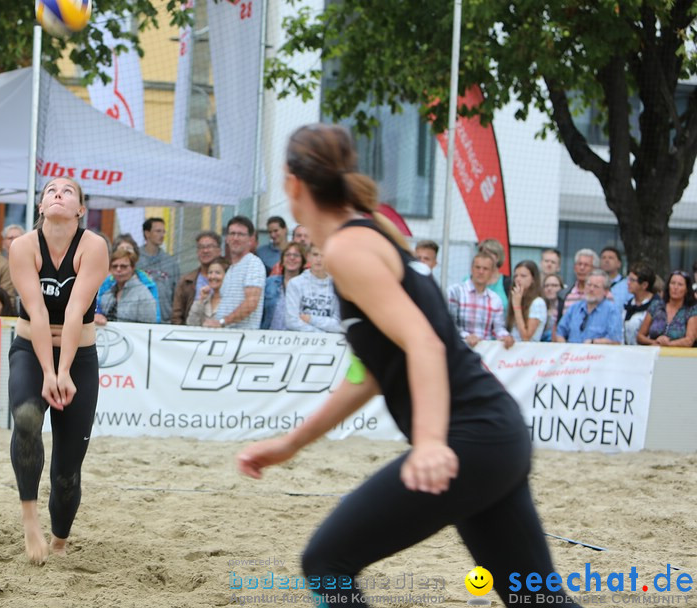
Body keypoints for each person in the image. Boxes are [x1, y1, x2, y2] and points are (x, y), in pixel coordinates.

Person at [237, 124, 573, 608]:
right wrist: (290, 444)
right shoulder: (371, 234)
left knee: (326, 564)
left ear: (292, 183)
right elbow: (368, 374)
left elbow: (425, 344)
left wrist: (433, 443)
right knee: (540, 602)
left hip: (469, 441)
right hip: (497, 438)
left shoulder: (349, 249)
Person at [7, 176, 108, 563]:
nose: (58, 194)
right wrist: (48, 374)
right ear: (40, 206)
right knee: (28, 419)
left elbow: (73, 311)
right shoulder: (23, 246)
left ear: (80, 209)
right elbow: (35, 311)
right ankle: (30, 523)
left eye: (68, 191)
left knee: (68, 465)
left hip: (78, 357)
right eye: (50, 190)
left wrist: (63, 372)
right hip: (30, 351)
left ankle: (60, 541)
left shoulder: (94, 246)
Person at [447, 251, 512, 347]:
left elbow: (498, 328)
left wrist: (506, 336)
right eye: (478, 267)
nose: (481, 272)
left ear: (491, 272)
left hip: (485, 355)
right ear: (471, 269)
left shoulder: (495, 299)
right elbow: (449, 324)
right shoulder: (454, 291)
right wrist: (467, 336)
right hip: (458, 351)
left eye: (485, 269)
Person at [214, 216, 266, 329]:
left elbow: (251, 303)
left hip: (243, 339)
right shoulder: (231, 269)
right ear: (227, 238)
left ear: (250, 240)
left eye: (241, 234)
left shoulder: (253, 263)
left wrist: (222, 322)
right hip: (226, 337)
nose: (235, 238)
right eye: (232, 234)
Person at [284, 243, 340, 332]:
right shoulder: (295, 283)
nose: (319, 259)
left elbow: (339, 325)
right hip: (299, 342)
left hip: (331, 344)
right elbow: (291, 321)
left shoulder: (338, 286)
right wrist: (320, 335)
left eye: (323, 255)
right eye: (315, 255)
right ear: (308, 257)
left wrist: (311, 319)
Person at [554, 270, 622, 344]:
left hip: (598, 354)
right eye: (589, 285)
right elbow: (560, 332)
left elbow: (615, 340)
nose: (591, 289)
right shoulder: (574, 308)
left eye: (596, 286)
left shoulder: (612, 311)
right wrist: (565, 347)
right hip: (572, 354)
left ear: (605, 291)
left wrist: (593, 342)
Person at [94, 248, 158, 324]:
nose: (118, 270)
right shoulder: (107, 293)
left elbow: (149, 327)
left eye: (123, 266)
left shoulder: (144, 295)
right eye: (114, 266)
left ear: (133, 268)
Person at [171, 231, 223, 324]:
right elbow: (177, 315)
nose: (205, 251)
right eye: (201, 247)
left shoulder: (229, 278)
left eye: (209, 246)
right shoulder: (186, 281)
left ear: (219, 251)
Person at [135, 217, 179, 325]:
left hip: (165, 322)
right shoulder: (135, 259)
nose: (162, 235)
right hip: (137, 321)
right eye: (158, 231)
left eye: (163, 232)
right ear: (147, 233)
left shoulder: (171, 262)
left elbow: (177, 293)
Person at [637, 270, 697, 347]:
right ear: (668, 286)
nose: (675, 287)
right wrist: (654, 342)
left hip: (679, 356)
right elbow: (640, 336)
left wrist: (668, 344)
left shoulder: (691, 310)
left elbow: (689, 340)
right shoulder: (656, 305)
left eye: (680, 284)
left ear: (687, 289)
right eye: (672, 283)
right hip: (654, 353)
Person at [261, 242, 307, 330]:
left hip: (298, 339)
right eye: (288, 255)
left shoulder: (308, 286)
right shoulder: (270, 283)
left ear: (302, 261)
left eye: (296, 255)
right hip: (269, 337)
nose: (292, 258)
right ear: (282, 260)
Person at [505, 260, 547, 342]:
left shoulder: (538, 303)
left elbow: (526, 337)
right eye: (516, 276)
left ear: (533, 279)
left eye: (523, 276)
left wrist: (517, 306)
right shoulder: (517, 298)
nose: (518, 279)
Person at [622, 262, 657, 345]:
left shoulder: (656, 305)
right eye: (628, 279)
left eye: (632, 280)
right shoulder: (629, 304)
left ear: (644, 285)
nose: (628, 283)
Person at [188, 258, 229, 327]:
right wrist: (200, 300)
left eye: (217, 273)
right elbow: (191, 323)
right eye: (210, 272)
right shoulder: (204, 299)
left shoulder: (231, 301)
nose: (212, 276)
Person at [560, 248, 597, 319]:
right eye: (579, 264)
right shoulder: (564, 295)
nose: (582, 268)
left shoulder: (603, 295)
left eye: (586, 265)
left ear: (594, 269)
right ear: (574, 268)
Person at [540, 273, 564, 342]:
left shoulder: (566, 308)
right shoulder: (539, 307)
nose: (549, 288)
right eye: (546, 286)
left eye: (554, 285)